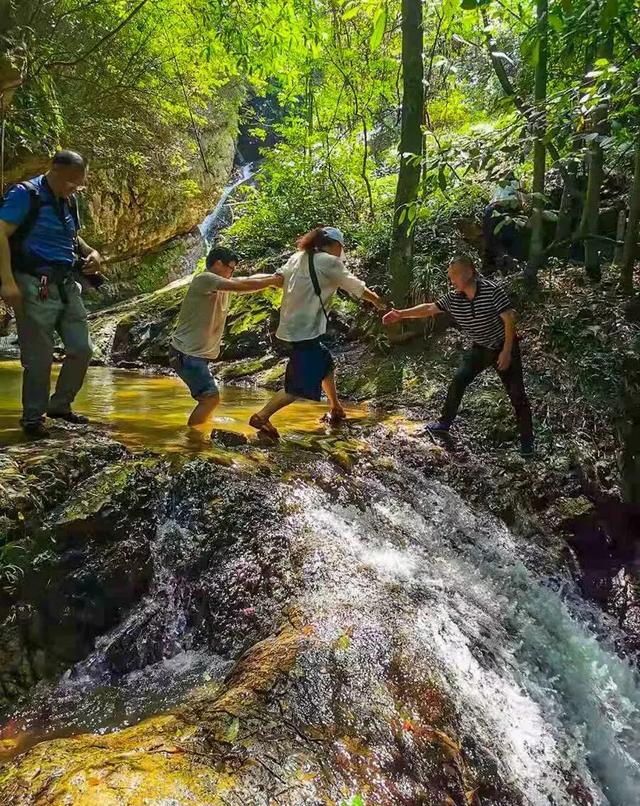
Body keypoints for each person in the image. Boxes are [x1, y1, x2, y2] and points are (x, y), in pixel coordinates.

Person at [383, 253, 534, 457]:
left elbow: (509, 319)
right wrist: (401, 314)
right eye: (450, 275)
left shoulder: (491, 291)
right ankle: (444, 423)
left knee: (517, 395)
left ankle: (527, 444)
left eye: (454, 275)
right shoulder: (454, 298)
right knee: (458, 380)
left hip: (503, 346)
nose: (451, 280)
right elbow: (429, 308)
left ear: (469, 272)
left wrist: (507, 351)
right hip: (480, 348)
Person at [0, 150, 102, 439]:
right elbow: (1, 233)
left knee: (82, 349)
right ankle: (33, 419)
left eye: (80, 183)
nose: (75, 187)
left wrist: (93, 253)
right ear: (54, 170)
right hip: (32, 282)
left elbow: (71, 237)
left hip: (67, 283)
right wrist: (7, 282)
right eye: (71, 181)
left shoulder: (69, 201)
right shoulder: (25, 193)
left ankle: (60, 406)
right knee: (39, 356)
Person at [249, 226, 385, 439]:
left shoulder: (297, 257)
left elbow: (278, 279)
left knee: (326, 361)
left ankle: (336, 408)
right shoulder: (329, 261)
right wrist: (377, 301)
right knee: (297, 387)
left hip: (290, 328)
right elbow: (355, 286)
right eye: (341, 247)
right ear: (335, 245)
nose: (341, 252)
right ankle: (262, 416)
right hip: (305, 331)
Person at [170, 245, 278, 428]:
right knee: (210, 398)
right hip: (186, 354)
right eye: (231, 267)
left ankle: (202, 429)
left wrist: (278, 277)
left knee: (209, 399)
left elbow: (248, 279)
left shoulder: (218, 283)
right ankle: (193, 442)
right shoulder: (204, 279)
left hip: (191, 354)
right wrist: (272, 281)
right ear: (218, 263)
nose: (233, 272)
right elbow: (242, 285)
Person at [482, 170, 524, 270]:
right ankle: (510, 263)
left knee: (493, 241)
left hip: (490, 210)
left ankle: (498, 261)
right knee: (509, 238)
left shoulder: (499, 187)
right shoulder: (517, 184)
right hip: (504, 209)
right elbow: (521, 203)